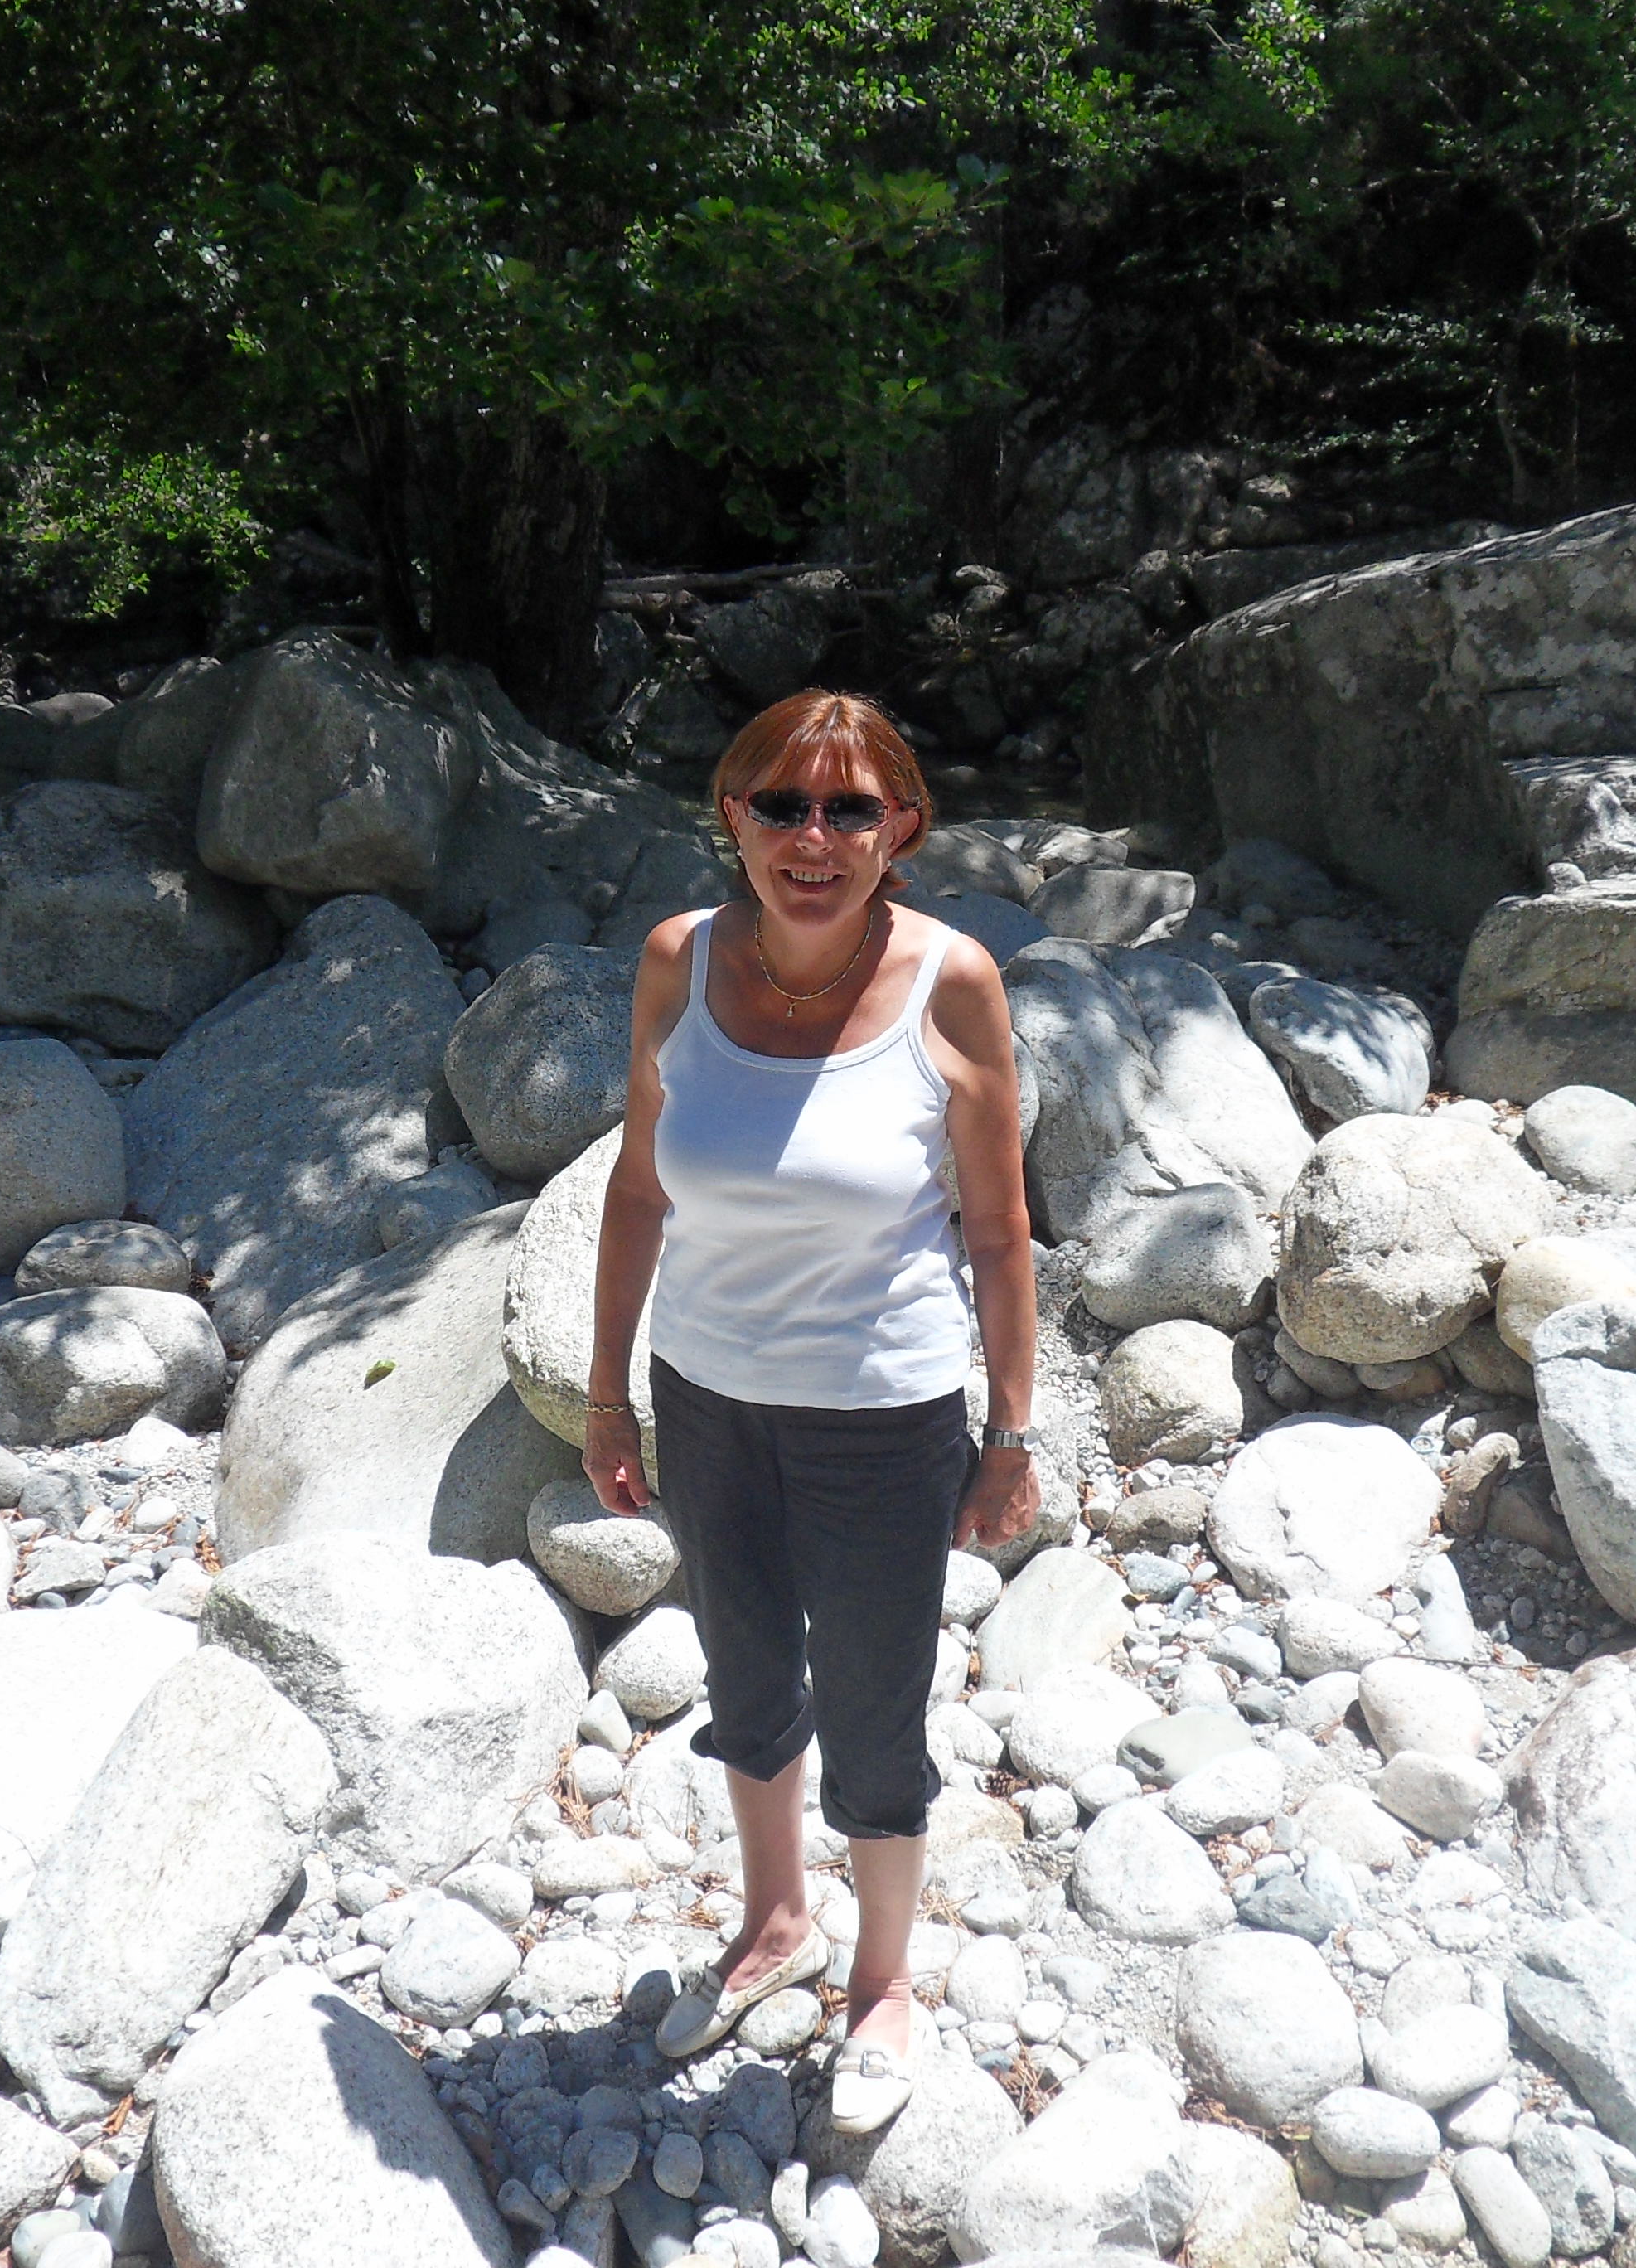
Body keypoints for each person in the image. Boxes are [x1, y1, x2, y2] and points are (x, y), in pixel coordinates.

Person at [582, 688, 1041, 2135]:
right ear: (734, 817)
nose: (816, 838)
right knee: (745, 1684)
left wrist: (1010, 1434)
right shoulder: (678, 961)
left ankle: (883, 1984)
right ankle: (776, 1922)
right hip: (706, 1398)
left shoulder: (951, 982)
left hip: (882, 1417)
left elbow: (998, 1231)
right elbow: (640, 1189)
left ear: (901, 826)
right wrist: (607, 1394)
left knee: (875, 1708)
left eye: (852, 809)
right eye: (784, 804)